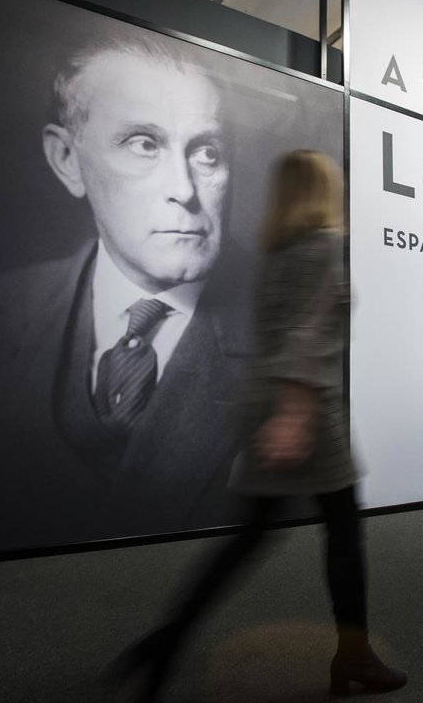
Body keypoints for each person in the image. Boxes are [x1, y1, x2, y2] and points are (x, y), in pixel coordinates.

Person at [0, 31, 256, 558]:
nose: (183, 189)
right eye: (144, 144)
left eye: (206, 152)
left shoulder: (306, 334)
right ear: (67, 159)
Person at [108, 150, 407, 701]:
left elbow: (279, 333)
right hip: (307, 410)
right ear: (323, 191)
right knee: (342, 533)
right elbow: (306, 336)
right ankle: (354, 656)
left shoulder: (280, 251)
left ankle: (164, 644)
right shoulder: (324, 248)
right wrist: (294, 415)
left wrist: (279, 411)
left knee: (252, 536)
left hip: (265, 402)